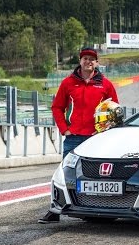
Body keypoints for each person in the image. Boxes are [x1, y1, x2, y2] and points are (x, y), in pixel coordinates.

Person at [38, 46, 119, 224]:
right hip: (73, 137)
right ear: (80, 61)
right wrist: (64, 129)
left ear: (97, 62)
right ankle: (55, 210)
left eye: (92, 59)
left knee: (98, 176)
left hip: (97, 138)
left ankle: (101, 210)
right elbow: (57, 107)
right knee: (65, 175)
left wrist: (108, 132)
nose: (88, 61)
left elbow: (115, 110)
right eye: (85, 58)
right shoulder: (68, 83)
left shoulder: (106, 84)